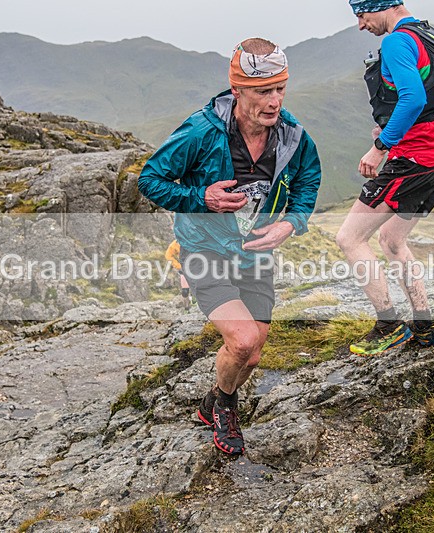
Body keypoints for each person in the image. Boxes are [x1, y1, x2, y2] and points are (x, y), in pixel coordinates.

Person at [138, 38, 322, 455]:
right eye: (263, 91)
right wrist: (202, 198)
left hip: (255, 255)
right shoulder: (201, 131)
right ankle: (225, 405)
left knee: (253, 355)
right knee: (240, 342)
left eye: (280, 89)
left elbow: (309, 179)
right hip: (204, 251)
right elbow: (150, 180)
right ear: (237, 90)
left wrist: (291, 224)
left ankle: (211, 400)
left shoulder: (292, 136)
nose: (274, 101)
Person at [336, 0, 434, 356]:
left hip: (412, 162)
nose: (361, 25)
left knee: (349, 238)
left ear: (378, 7)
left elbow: (411, 99)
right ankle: (425, 328)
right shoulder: (432, 35)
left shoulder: (397, 42)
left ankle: (388, 325)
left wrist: (381, 147)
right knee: (393, 240)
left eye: (361, 15)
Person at [164, 239, 192, 310]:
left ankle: (197, 304)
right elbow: (168, 255)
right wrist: (178, 266)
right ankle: (187, 307)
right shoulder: (176, 243)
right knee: (185, 291)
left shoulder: (196, 238)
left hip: (198, 267)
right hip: (184, 269)